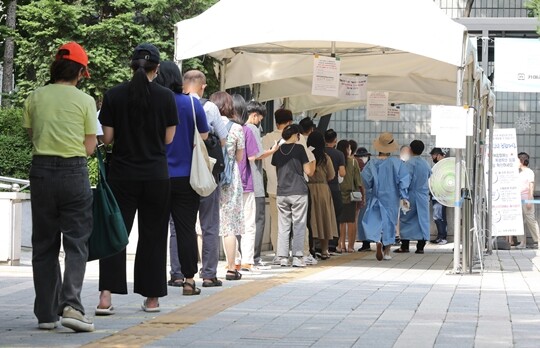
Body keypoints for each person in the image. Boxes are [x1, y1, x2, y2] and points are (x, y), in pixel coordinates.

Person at [97, 43, 178, 313]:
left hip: (122, 175)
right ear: (156, 68)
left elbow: (107, 139)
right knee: (153, 236)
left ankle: (106, 297)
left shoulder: (114, 95)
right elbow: (168, 138)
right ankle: (152, 298)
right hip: (156, 175)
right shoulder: (166, 97)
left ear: (132, 66)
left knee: (116, 234)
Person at [24, 42, 97, 332]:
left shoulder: (34, 96)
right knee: (76, 242)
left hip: (41, 172)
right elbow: (90, 147)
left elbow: (33, 135)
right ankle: (72, 307)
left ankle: (45, 314)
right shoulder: (85, 101)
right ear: (80, 71)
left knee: (44, 243)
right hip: (73, 173)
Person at [155, 61, 209, 295]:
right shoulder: (190, 102)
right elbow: (205, 134)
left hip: (157, 175)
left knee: (155, 230)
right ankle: (188, 280)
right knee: (186, 229)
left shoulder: (154, 102)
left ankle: (156, 281)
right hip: (187, 176)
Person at [182, 70, 228, 287]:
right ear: (202, 86)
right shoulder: (209, 107)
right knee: (209, 223)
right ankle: (208, 274)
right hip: (206, 173)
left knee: (179, 225)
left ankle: (177, 273)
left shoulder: (175, 104)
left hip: (181, 172)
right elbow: (223, 140)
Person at [262, 109, 317, 265]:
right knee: (299, 223)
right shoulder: (297, 140)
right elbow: (308, 164)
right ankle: (302, 254)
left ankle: (280, 255)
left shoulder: (266, 139)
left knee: (279, 224)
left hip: (276, 188)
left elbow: (266, 163)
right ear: (290, 122)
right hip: (297, 188)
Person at [211, 91, 245, 280]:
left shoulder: (207, 124)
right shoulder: (236, 128)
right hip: (230, 179)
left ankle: (206, 268)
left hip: (208, 176)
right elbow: (240, 157)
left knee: (204, 224)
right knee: (229, 225)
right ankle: (231, 269)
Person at [362, 133, 410, 261]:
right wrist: (404, 197)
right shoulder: (397, 163)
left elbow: (366, 181)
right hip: (391, 197)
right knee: (390, 223)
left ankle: (377, 240)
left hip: (375, 196)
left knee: (376, 220)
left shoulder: (371, 164)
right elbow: (403, 181)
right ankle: (387, 251)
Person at [244, 101, 278, 268]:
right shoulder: (252, 129)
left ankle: (245, 256)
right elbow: (256, 154)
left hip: (242, 181)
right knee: (258, 220)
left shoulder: (239, 127)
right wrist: (272, 150)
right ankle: (254, 257)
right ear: (255, 115)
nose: (260, 122)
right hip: (254, 181)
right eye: (260, 118)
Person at [232, 95, 261, 272]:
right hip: (245, 182)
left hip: (227, 184)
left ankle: (233, 259)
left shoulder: (223, 128)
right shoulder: (246, 130)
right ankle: (247, 260)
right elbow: (251, 157)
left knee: (230, 224)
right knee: (248, 224)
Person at [394, 140, 431, 254]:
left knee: (406, 219)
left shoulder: (409, 163)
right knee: (423, 219)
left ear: (410, 149)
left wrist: (402, 194)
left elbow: (405, 180)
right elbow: (430, 175)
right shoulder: (425, 163)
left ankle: (405, 245)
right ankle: (421, 246)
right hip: (423, 195)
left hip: (411, 194)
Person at [306, 131, 337, 259]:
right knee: (324, 219)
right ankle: (324, 250)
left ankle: (311, 248)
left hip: (309, 188)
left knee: (311, 218)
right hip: (323, 190)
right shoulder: (325, 158)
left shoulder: (306, 156)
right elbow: (332, 175)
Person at [337, 140, 364, 253]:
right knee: (351, 221)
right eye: (348, 148)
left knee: (341, 221)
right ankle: (350, 246)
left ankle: (341, 245)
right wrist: (363, 195)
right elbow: (358, 182)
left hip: (338, 194)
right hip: (351, 195)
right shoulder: (353, 162)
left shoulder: (336, 161)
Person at [324, 129, 347, 252]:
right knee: (336, 215)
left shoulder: (320, 152)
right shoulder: (339, 154)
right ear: (335, 140)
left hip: (322, 187)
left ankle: (321, 244)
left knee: (322, 215)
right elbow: (342, 173)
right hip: (334, 188)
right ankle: (333, 244)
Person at [517, 152, 540, 249]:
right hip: (518, 199)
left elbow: (531, 187)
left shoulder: (529, 172)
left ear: (522, 161)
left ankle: (538, 240)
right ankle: (522, 242)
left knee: (531, 220)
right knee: (519, 221)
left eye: (517, 160)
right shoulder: (518, 173)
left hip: (527, 199)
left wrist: (530, 200)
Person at [429, 148, 448, 245]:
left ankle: (442, 237)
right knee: (439, 216)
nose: (432, 157)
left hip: (440, 195)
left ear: (438, 155)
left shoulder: (443, 166)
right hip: (438, 194)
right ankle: (440, 236)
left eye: (433, 155)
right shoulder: (441, 165)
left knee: (438, 216)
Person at [355, 147, 372, 252]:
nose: (362, 158)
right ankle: (366, 242)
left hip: (371, 195)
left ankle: (370, 241)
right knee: (362, 220)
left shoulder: (371, 166)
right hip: (363, 195)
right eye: (360, 156)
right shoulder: (357, 166)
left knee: (371, 219)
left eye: (364, 156)